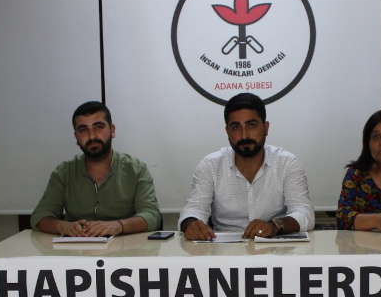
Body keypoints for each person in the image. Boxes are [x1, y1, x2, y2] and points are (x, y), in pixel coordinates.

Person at [179, 93, 314, 240]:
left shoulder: (287, 163)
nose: (244, 135)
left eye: (251, 125)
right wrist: (191, 224)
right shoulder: (210, 165)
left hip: (274, 246)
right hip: (223, 248)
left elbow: (304, 212)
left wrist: (275, 226)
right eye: (236, 127)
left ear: (266, 128)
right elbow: (194, 209)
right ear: (227, 131)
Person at [31, 101, 161, 236]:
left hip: (124, 246)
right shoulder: (64, 172)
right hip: (76, 246)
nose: (92, 136)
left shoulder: (136, 170)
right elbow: (40, 215)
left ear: (112, 130)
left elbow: (152, 215)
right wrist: (63, 226)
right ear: (76, 137)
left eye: (98, 127)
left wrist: (119, 225)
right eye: (83, 130)